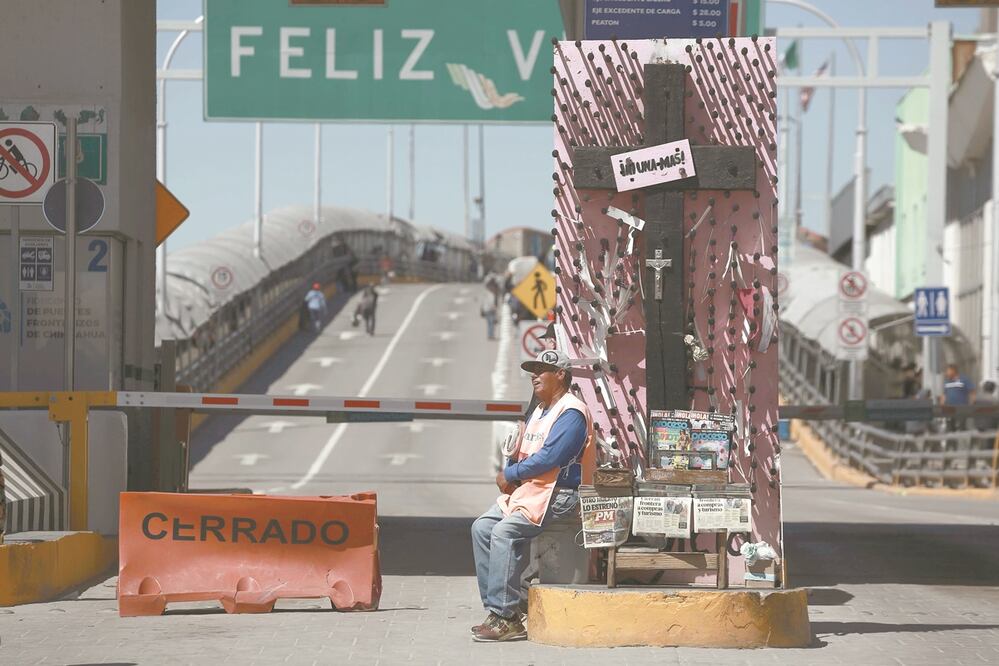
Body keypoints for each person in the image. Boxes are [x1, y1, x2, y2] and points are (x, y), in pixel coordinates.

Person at [470, 349, 594, 642]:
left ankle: (505, 615)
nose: (534, 375)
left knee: (503, 532)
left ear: (560, 375)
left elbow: (551, 457)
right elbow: (523, 450)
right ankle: (501, 611)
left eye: (541, 370)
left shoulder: (571, 412)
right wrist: (511, 473)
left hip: (559, 494)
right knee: (481, 528)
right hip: (532, 492)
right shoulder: (539, 410)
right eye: (532, 370)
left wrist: (511, 476)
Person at [942, 363, 975, 431]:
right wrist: (942, 405)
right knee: (950, 428)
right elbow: (944, 394)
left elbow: (972, 393)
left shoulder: (964, 379)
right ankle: (951, 441)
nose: (946, 372)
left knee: (962, 427)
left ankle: (962, 441)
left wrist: (971, 404)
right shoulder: (947, 381)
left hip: (961, 408)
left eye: (948, 370)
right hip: (949, 409)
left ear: (953, 370)